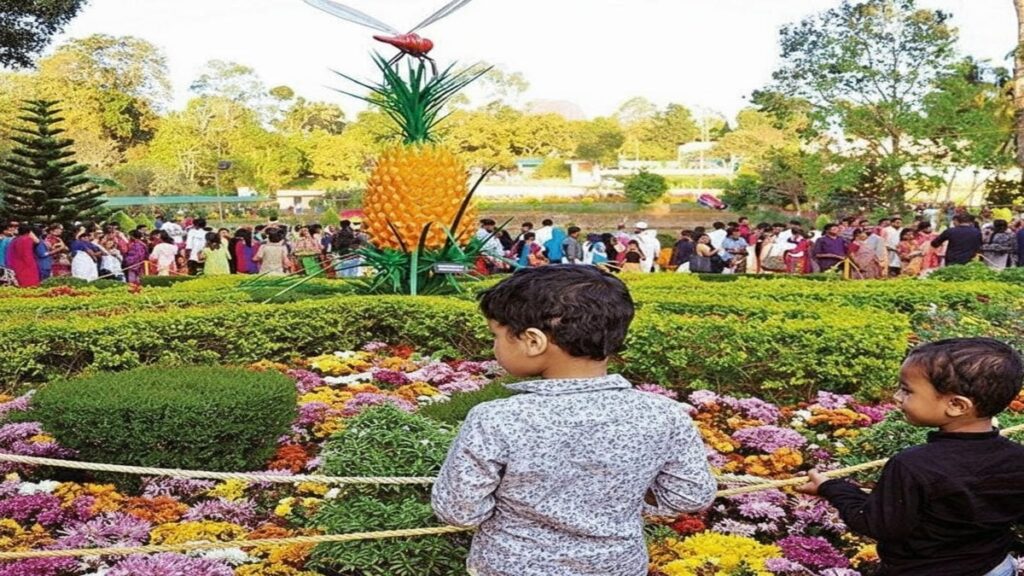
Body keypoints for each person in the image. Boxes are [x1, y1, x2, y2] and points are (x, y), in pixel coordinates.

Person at [432, 265, 716, 576]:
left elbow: (459, 510)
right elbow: (689, 495)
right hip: (617, 567)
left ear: (533, 341)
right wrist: (622, 494)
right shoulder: (665, 415)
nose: (494, 346)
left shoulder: (497, 419)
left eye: (495, 335)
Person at [797, 338, 1024, 576]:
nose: (897, 397)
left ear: (956, 405)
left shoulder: (913, 465)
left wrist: (831, 487)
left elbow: (876, 523)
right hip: (995, 568)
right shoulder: (1017, 457)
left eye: (907, 390)